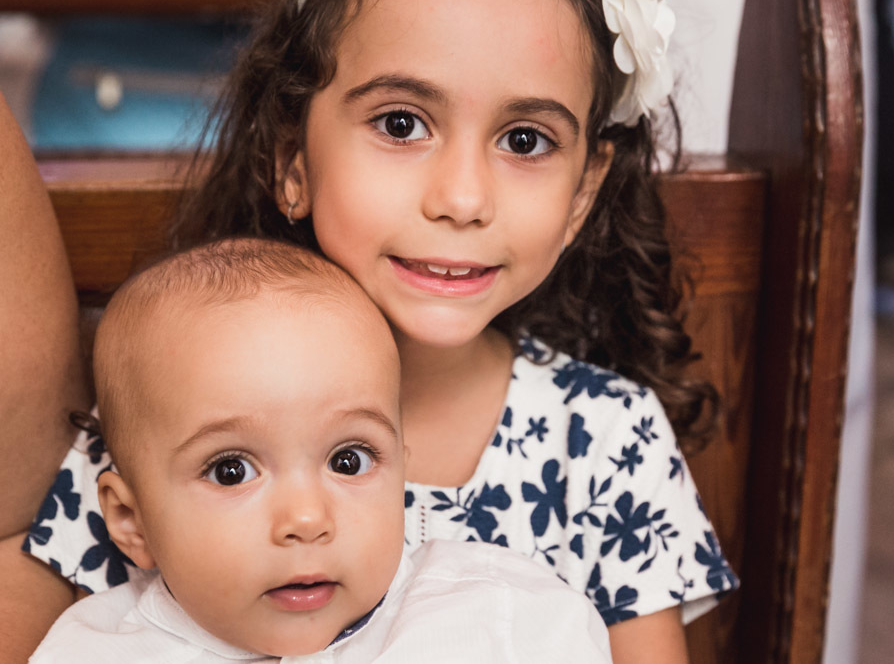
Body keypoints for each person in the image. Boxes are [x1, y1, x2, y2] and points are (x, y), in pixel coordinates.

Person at [8, 0, 739, 660]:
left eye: (524, 140)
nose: (462, 197)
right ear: (291, 154)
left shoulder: (606, 440)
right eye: (401, 123)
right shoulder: (173, 402)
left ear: (583, 191)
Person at [31, 237, 612, 662]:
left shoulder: (504, 620)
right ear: (130, 520)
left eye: (348, 461)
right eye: (231, 471)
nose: (307, 520)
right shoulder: (92, 652)